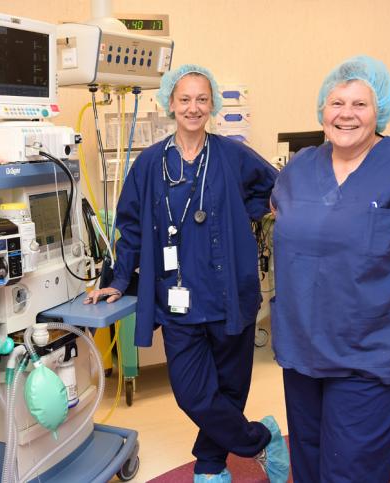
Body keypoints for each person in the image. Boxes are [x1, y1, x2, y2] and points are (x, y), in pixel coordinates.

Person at [85, 64, 289, 483]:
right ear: (170, 105)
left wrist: (253, 211)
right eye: (184, 99)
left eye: (201, 99)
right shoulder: (149, 164)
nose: (193, 108)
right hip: (178, 298)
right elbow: (131, 226)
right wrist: (118, 280)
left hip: (231, 292)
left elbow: (277, 188)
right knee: (192, 392)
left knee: (230, 388)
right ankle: (259, 440)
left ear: (211, 103)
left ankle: (211, 466)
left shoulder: (232, 155)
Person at [270, 55, 390, 483]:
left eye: (360, 104)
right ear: (322, 108)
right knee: (308, 467)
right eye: (337, 102)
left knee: (349, 473)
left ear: (381, 113)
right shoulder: (301, 167)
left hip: (373, 356)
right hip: (304, 353)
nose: (346, 114)